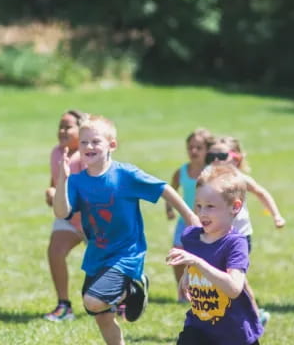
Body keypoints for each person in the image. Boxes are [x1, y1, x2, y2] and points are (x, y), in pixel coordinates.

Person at [53, 114, 200, 345]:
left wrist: (190, 216)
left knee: (93, 301)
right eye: (84, 142)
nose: (89, 146)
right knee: (102, 315)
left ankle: (133, 287)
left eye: (95, 141)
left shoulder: (125, 175)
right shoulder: (77, 181)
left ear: (112, 145)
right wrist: (62, 178)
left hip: (126, 255)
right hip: (97, 256)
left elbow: (163, 189)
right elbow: (61, 213)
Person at [166, 164, 264, 345]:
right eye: (199, 205)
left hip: (234, 334)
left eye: (210, 206)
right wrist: (187, 276)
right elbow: (194, 263)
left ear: (234, 207)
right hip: (199, 327)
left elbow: (234, 288)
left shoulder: (235, 243)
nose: (202, 213)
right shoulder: (191, 236)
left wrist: (198, 262)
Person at [205, 136, 286, 325]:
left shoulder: (240, 179)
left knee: (235, 278)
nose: (215, 160)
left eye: (221, 155)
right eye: (211, 156)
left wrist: (276, 215)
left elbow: (261, 193)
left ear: (236, 158)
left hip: (239, 238)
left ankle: (255, 316)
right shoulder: (208, 179)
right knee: (220, 277)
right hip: (216, 236)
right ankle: (227, 316)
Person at [44, 110, 86, 322]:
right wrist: (51, 192)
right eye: (60, 126)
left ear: (81, 130)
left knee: (106, 263)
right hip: (69, 217)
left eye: (68, 126)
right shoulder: (56, 153)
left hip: (94, 219)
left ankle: (122, 299)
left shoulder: (88, 155)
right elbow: (55, 183)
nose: (62, 130)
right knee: (55, 252)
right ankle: (64, 305)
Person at [165, 128, 214, 301]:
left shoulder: (212, 171)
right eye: (190, 147)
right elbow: (171, 189)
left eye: (199, 148)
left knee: (206, 257)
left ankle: (206, 292)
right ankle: (183, 293)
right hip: (185, 221)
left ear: (207, 150)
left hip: (209, 222)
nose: (193, 151)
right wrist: (169, 209)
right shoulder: (182, 172)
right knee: (177, 254)